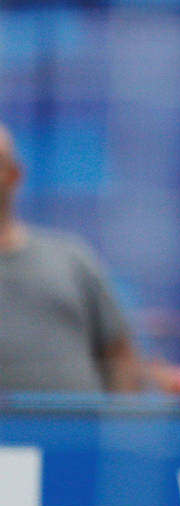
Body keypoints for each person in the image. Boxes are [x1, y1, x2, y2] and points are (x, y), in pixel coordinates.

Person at [0, 123, 145, 393]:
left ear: (14, 174)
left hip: (72, 431)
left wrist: (122, 424)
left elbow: (120, 354)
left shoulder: (70, 259)